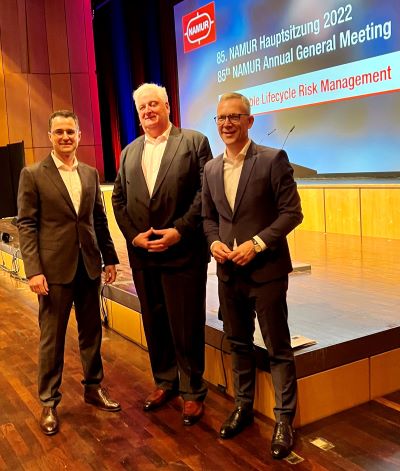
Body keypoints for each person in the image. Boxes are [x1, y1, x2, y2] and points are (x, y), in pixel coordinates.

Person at [202, 93, 303, 459]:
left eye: (235, 116)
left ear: (249, 121)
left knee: (278, 347)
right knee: (239, 342)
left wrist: (257, 244)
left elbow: (292, 213)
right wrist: (214, 243)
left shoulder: (273, 159)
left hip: (266, 271)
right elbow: (208, 218)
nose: (227, 123)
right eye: (221, 118)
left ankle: (284, 420)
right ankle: (243, 406)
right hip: (229, 272)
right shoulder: (210, 169)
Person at [112, 83, 212, 425]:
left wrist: (179, 230)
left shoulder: (194, 142)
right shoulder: (128, 152)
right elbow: (118, 200)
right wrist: (134, 237)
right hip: (144, 255)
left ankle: (193, 390)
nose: (148, 111)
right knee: (154, 322)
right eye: (142, 107)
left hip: (183, 251)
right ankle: (165, 381)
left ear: (168, 106)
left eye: (154, 104)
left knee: (186, 323)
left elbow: (205, 192)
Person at [17, 110, 121, 436]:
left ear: (79, 135)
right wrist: (33, 270)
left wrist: (110, 258)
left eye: (70, 132)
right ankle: (49, 401)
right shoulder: (33, 174)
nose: (65, 137)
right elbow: (27, 225)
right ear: (50, 136)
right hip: (53, 272)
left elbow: (98, 220)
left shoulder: (90, 173)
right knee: (52, 339)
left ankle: (93, 387)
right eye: (59, 132)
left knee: (92, 333)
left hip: (88, 267)